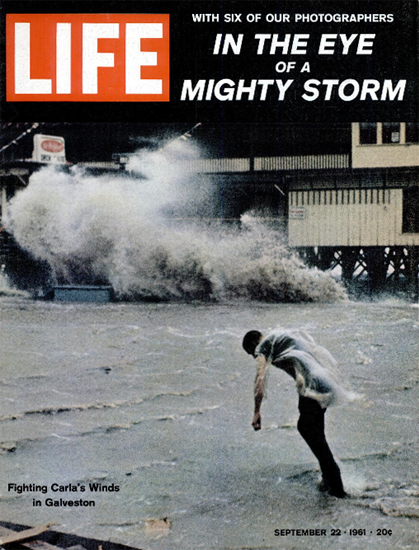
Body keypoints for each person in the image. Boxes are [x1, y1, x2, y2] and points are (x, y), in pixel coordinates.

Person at [242, 328, 348, 498]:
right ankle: (328, 478)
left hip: (312, 383)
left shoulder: (261, 347)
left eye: (251, 354)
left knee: (306, 427)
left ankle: (335, 483)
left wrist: (256, 412)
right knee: (315, 431)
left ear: (253, 344)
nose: (254, 357)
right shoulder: (278, 336)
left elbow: (259, 379)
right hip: (324, 380)